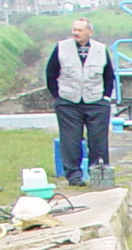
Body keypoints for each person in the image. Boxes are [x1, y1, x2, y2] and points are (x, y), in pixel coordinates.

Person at [45, 17, 113, 187]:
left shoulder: (101, 49)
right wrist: (58, 97)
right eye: (74, 29)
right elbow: (51, 73)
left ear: (90, 32)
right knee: (70, 141)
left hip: (96, 101)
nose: (75, 33)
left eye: (80, 30)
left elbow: (109, 75)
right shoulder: (61, 48)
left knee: (98, 141)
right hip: (68, 102)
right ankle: (74, 177)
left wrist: (106, 97)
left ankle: (98, 174)